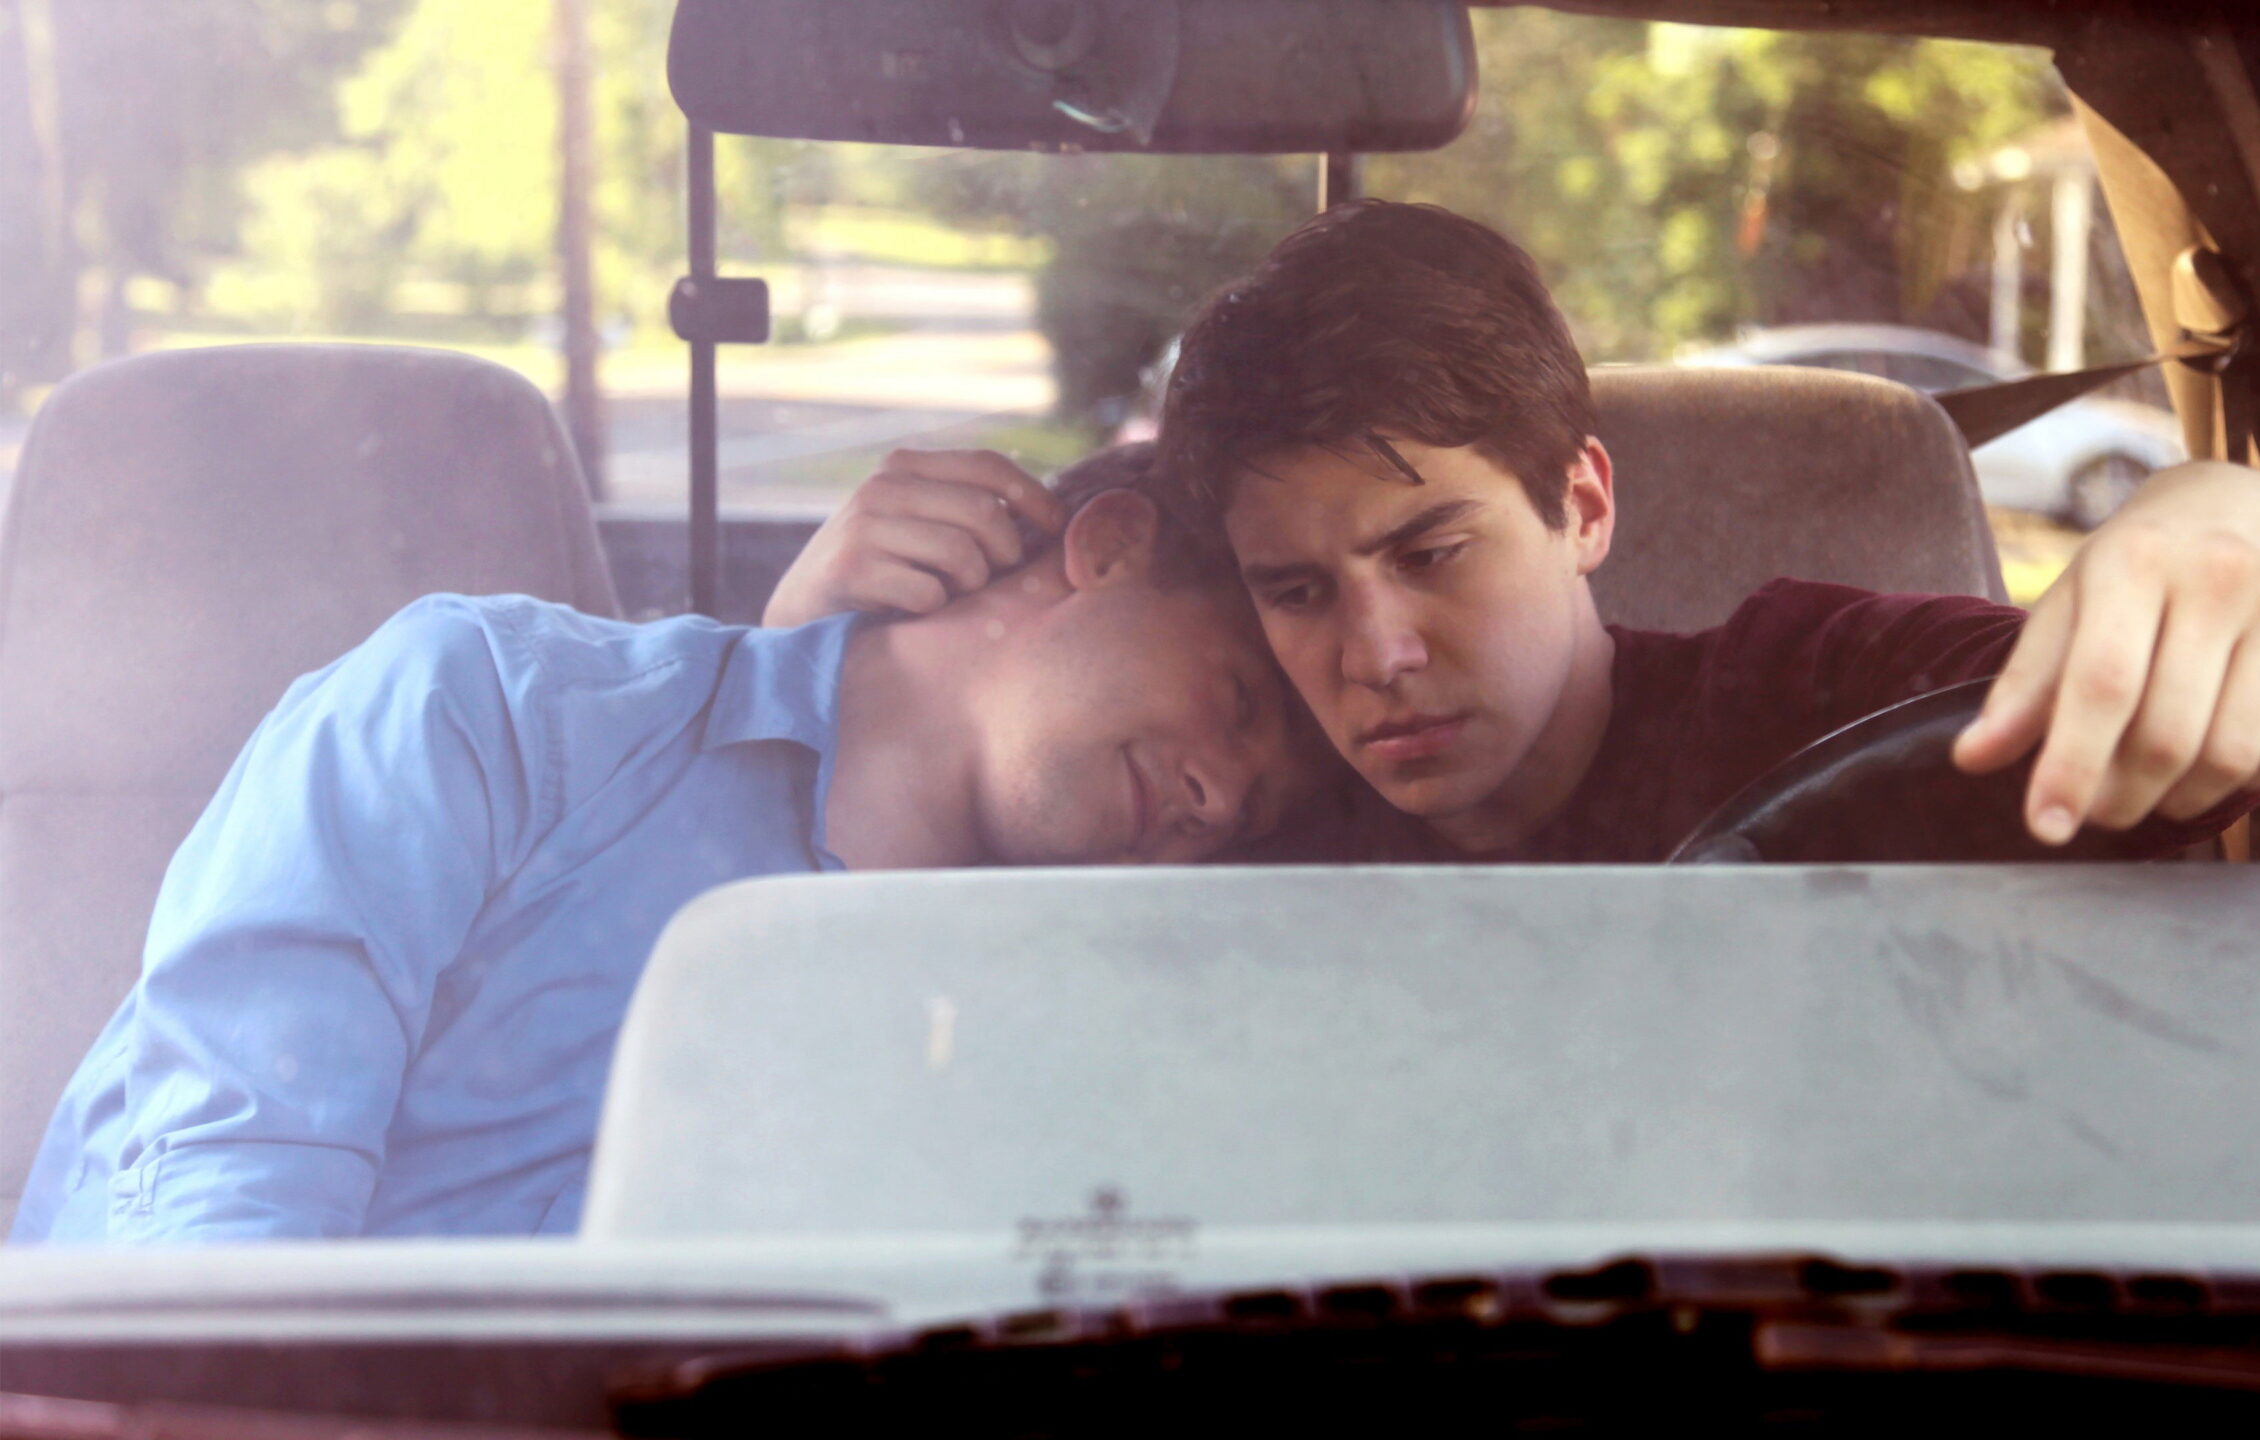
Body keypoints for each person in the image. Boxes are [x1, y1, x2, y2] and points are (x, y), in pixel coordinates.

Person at [769, 201, 2260, 864]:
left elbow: (2162, 736)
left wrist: (2240, 520)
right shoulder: (1242, 807)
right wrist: (800, 650)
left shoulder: (1809, 692)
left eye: (1433, 551)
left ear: (1582, 505)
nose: (1377, 656)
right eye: (1298, 589)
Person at [13, 447, 1321, 1244]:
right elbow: (228, 1184)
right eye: (1239, 701)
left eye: (1257, 812)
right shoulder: (493, 707)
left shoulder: (1068, 1027)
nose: (1220, 798)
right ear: (1111, 550)